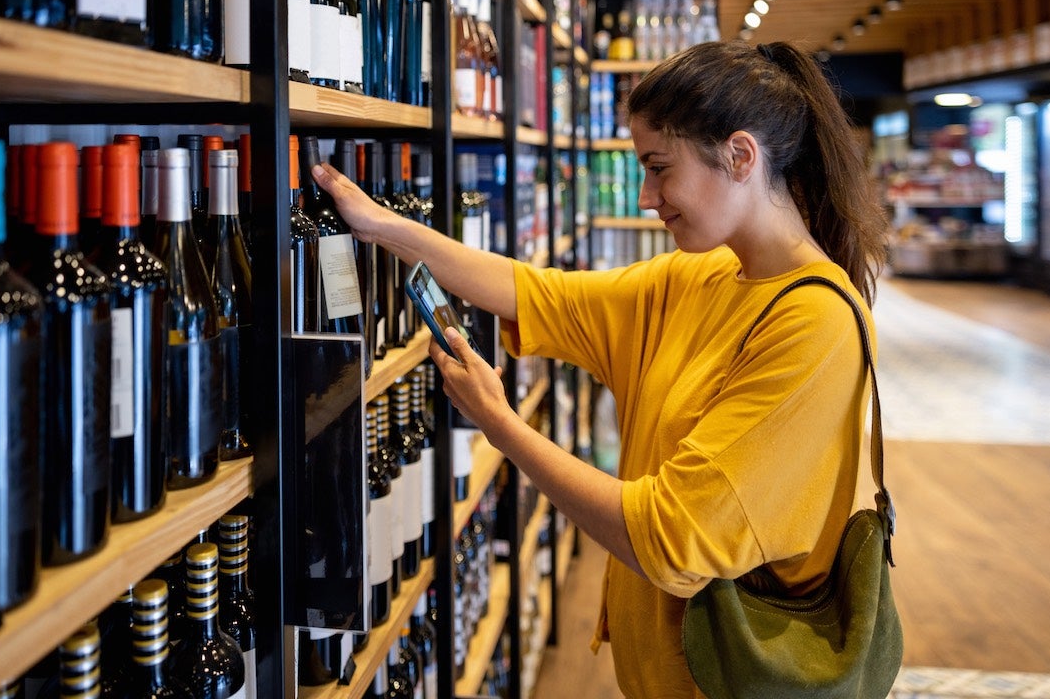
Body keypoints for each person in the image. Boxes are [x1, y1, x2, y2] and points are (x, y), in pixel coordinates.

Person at [311, 39, 890, 698]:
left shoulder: (815, 325)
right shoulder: (702, 276)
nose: (647, 197)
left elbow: (671, 540)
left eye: (658, 167)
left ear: (740, 156)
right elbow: (537, 293)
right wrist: (385, 228)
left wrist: (501, 426)